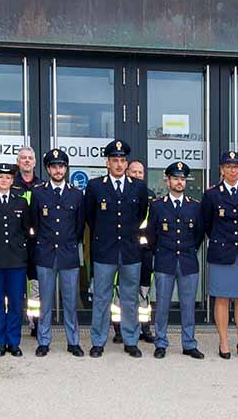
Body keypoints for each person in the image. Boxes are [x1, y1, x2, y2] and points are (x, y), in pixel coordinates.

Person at [84, 139, 149, 357]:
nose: (119, 164)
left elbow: (140, 215)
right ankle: (98, 341)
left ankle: (131, 340)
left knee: (130, 298)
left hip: (130, 250)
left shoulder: (138, 187)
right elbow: (90, 217)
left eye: (122, 160)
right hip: (104, 250)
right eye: (115, 160)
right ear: (108, 163)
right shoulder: (95, 186)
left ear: (126, 163)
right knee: (101, 298)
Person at [201, 150, 238, 360]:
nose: (232, 171)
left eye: (235, 167)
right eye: (228, 167)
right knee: (222, 298)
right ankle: (223, 340)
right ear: (222, 170)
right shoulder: (212, 194)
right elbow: (206, 223)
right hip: (222, 252)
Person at [144, 162, 204, 360]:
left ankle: (189, 343)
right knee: (162, 305)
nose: (179, 182)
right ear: (167, 181)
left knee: (188, 305)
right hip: (165, 260)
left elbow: (199, 234)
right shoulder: (157, 206)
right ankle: (161, 343)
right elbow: (151, 234)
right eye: (176, 178)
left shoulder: (194, 206)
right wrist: (160, 251)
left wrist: (189, 249)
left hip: (188, 261)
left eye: (182, 179)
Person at [29, 148, 85, 357]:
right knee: (45, 302)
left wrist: (69, 243)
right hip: (45, 253)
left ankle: (73, 341)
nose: (58, 170)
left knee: (70, 301)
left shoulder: (77, 194)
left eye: (61, 166)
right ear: (47, 169)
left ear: (66, 168)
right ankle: (43, 341)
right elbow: (34, 223)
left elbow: (79, 226)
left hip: (68, 253)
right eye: (54, 166)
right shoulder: (38, 192)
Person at [0, 162, 33, 357]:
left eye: (7, 177)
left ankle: (13, 342)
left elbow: (26, 231)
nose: (4, 180)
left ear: (12, 180)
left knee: (16, 303)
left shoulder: (21, 202)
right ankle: (0, 342)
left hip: (16, 261)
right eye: (0, 177)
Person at [10, 145, 42, 338]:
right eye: (23, 158)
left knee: (35, 285)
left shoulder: (42, 185)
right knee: (13, 286)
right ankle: (11, 323)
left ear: (35, 162)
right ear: (18, 162)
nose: (27, 161)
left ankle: (35, 323)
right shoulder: (10, 184)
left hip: (36, 244)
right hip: (14, 243)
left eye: (30, 158)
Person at [125, 159, 155, 344]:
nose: (137, 175)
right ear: (127, 173)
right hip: (126, 249)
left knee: (144, 290)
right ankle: (120, 328)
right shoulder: (122, 193)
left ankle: (145, 327)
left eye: (140, 172)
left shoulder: (151, 196)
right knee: (122, 291)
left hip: (145, 251)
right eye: (134, 171)